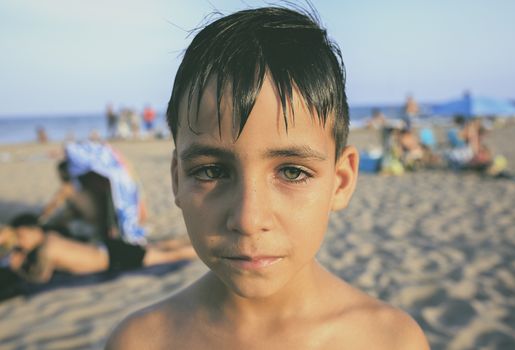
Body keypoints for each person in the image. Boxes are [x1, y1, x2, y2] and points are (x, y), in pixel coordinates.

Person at [106, 6, 429, 349]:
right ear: (176, 180)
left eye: (292, 172)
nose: (248, 219)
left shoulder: (390, 340)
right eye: (211, 171)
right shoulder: (140, 342)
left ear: (342, 181)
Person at [0, 214, 196, 284]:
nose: (21, 248)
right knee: (156, 246)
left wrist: (18, 267)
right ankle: (191, 240)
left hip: (114, 258)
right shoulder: (50, 235)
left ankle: (199, 253)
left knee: (166, 256)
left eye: (19, 243)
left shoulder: (46, 251)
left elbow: (41, 277)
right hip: (107, 247)